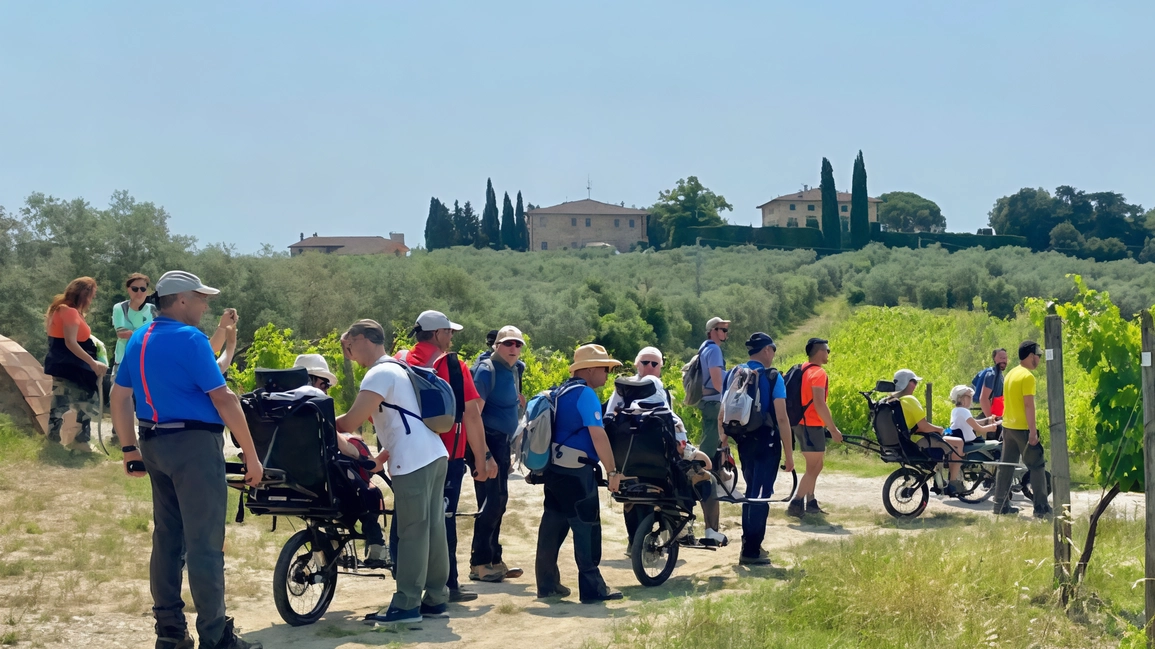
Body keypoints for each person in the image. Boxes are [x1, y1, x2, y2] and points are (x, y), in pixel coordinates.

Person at [110, 270, 264, 649]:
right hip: (193, 445)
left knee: (167, 538)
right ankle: (216, 636)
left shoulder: (140, 338)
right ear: (180, 300)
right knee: (205, 543)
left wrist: (129, 449)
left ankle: (170, 633)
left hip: (153, 443)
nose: (205, 304)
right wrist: (251, 454)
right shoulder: (190, 339)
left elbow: (119, 395)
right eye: (200, 297)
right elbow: (224, 398)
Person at [336, 319, 450, 625]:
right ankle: (436, 598)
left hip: (413, 461)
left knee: (412, 531)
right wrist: (382, 456)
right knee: (433, 529)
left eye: (349, 345)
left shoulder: (380, 373)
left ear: (364, 339)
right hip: (434, 454)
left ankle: (407, 605)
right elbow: (401, 420)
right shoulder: (398, 369)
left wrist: (313, 418)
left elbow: (350, 422)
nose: (349, 354)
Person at [399, 310, 497, 599]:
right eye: (449, 332)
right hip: (447, 456)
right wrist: (481, 458)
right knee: (444, 522)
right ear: (439, 334)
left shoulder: (400, 361)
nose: (451, 337)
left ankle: (409, 586)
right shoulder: (453, 365)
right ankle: (446, 586)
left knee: (411, 523)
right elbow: (471, 415)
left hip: (407, 456)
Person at [607, 348, 724, 548]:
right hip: (662, 466)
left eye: (654, 364)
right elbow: (676, 436)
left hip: (627, 465)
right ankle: (707, 531)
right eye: (645, 363)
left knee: (636, 493)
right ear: (637, 364)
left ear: (660, 367)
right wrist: (693, 452)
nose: (650, 367)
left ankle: (635, 541)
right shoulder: (660, 396)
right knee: (705, 478)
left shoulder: (621, 392)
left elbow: (608, 425)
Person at [535, 344, 623, 604]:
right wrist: (613, 471)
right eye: (605, 368)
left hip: (554, 469)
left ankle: (547, 584)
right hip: (577, 471)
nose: (607, 374)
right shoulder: (585, 394)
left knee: (552, 526)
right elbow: (598, 434)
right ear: (591, 369)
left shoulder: (560, 391)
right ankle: (593, 588)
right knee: (587, 527)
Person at [292, 353, 389, 569]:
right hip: (320, 480)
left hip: (288, 479)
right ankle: (377, 546)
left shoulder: (278, 403)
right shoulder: (314, 403)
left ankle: (334, 539)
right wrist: (361, 456)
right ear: (312, 380)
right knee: (368, 491)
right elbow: (339, 444)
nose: (326, 389)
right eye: (325, 383)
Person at [719, 333, 794, 565]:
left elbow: (722, 411)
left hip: (743, 441)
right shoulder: (772, 377)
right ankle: (751, 550)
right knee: (760, 495)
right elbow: (782, 418)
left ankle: (748, 544)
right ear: (766, 351)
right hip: (767, 442)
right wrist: (790, 455)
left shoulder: (734, 373)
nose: (773, 353)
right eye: (772, 349)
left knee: (752, 489)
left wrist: (723, 442)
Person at [469, 325, 526, 585]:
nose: (513, 348)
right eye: (508, 344)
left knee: (499, 501)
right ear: (496, 345)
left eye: (518, 344)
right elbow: (472, 415)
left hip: (501, 444)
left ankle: (493, 560)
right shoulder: (486, 371)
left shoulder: (516, 369)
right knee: (490, 503)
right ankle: (479, 564)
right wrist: (485, 454)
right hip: (487, 442)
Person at [43, 277, 107, 452]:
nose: (92, 300)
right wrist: (92, 362)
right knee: (84, 401)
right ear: (84, 294)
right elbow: (70, 342)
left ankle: (57, 442)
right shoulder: (69, 311)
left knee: (61, 402)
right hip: (71, 365)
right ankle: (79, 441)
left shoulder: (62, 310)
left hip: (65, 363)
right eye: (92, 296)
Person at [992, 341, 1051, 518]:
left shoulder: (1010, 373)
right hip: (1022, 428)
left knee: (1006, 467)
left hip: (1008, 427)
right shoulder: (1027, 377)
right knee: (1037, 465)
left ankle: (999, 504)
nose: (1039, 358)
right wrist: (1033, 431)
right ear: (1031, 355)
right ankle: (1041, 506)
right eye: (1038, 355)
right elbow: (1028, 405)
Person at [787, 338, 843, 518]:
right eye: (827, 350)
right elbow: (819, 403)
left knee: (817, 465)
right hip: (811, 424)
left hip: (799, 423)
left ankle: (811, 501)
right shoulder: (818, 373)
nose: (828, 353)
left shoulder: (803, 369)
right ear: (820, 351)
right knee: (813, 467)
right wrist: (833, 429)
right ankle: (796, 503)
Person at [891, 369, 965, 495]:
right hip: (919, 440)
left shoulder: (893, 401)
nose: (915, 385)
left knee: (943, 443)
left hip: (908, 439)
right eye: (914, 382)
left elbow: (914, 426)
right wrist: (939, 429)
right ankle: (953, 483)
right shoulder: (910, 400)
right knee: (958, 443)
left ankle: (939, 481)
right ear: (909, 383)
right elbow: (924, 426)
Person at [696, 317, 730, 459]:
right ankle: (702, 471)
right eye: (723, 330)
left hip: (705, 401)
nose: (726, 333)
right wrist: (728, 400)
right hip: (714, 403)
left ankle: (714, 471)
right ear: (713, 331)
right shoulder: (714, 350)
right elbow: (717, 383)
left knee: (711, 438)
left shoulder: (704, 348)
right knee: (710, 441)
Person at [978, 348, 1009, 420]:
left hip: (998, 416)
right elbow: (983, 398)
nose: (1003, 360)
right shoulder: (991, 375)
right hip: (993, 418)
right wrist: (991, 419)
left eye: (1005, 358)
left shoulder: (1000, 375)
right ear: (994, 359)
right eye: (1001, 358)